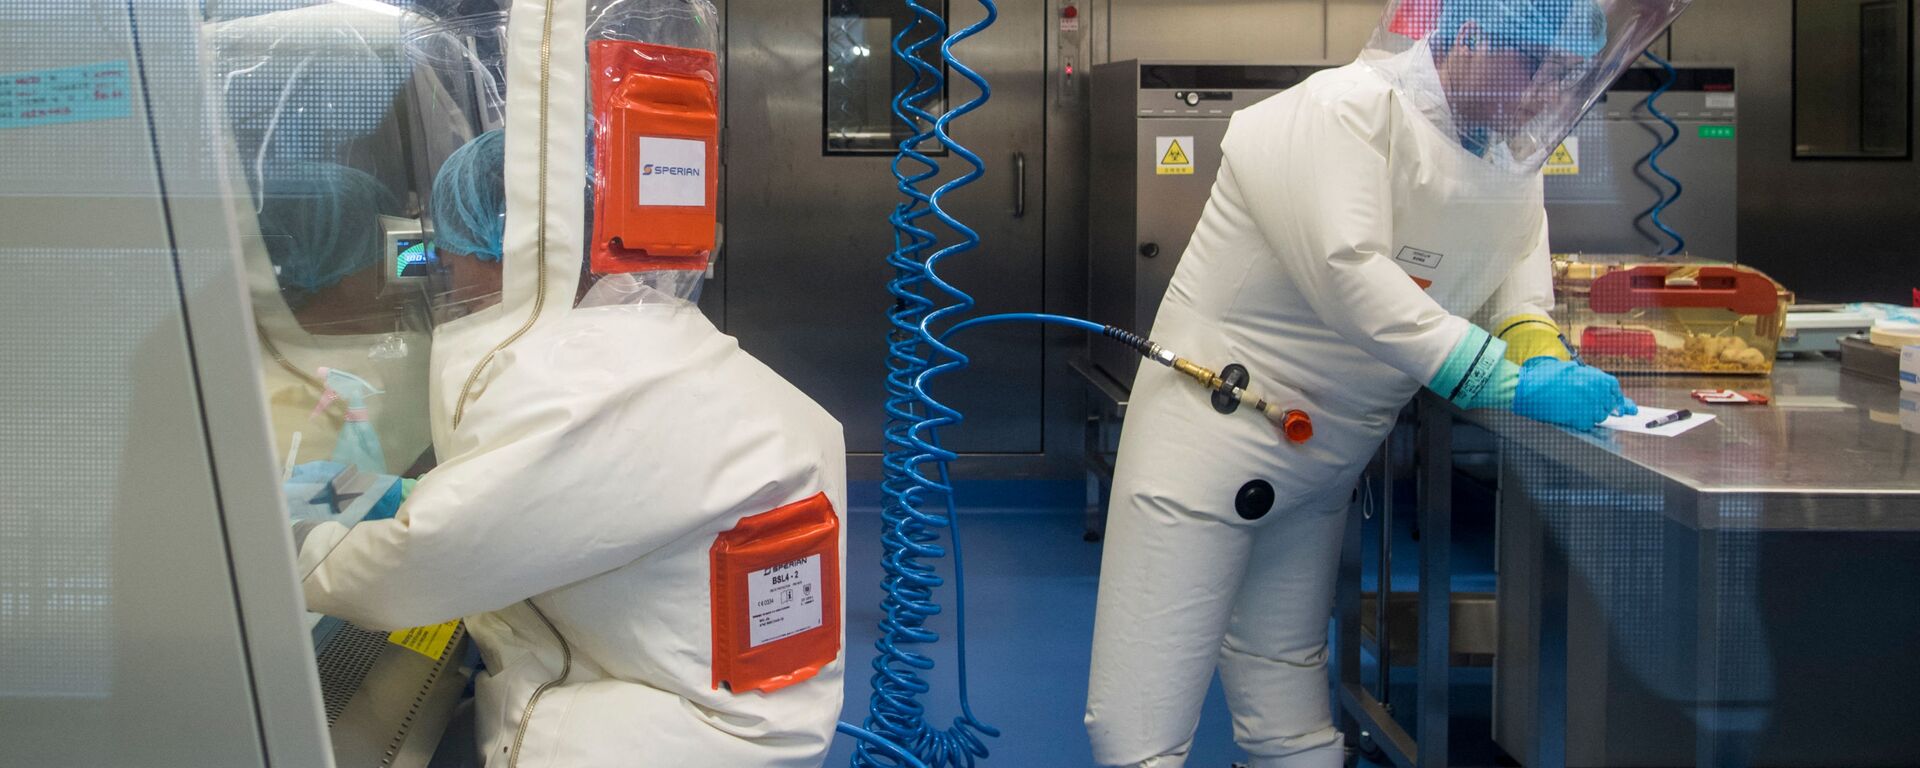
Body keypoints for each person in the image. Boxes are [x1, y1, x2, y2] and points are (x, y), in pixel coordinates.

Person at [1084, 1, 1691, 766]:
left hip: (1322, 456)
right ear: (1468, 36)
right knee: (1140, 723)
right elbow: (1351, 276)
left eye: (1565, 77)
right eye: (1533, 67)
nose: (1543, 96)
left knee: (1285, 690)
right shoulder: (1337, 112)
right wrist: (1500, 381)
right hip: (1208, 438)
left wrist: (1537, 351)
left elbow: (1513, 285)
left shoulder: (1506, 159)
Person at [292, 2, 850, 765]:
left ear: (515, 251)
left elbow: (410, 572)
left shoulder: (593, 392)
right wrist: (382, 494)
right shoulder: (663, 345)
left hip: (676, 738)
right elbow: (546, 502)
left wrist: (299, 541)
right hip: (741, 708)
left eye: (454, 265)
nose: (451, 286)